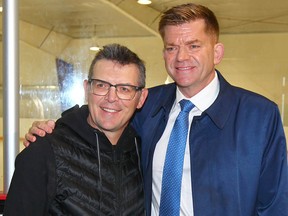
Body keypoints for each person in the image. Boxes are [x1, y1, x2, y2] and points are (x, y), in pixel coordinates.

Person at [23, 3, 288, 216]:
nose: (181, 57)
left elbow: (275, 205)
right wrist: (55, 129)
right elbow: (104, 110)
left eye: (193, 45)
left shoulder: (259, 117)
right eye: (171, 47)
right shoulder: (146, 106)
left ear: (217, 52)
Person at [4, 43, 148, 215]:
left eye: (124, 89)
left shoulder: (142, 151)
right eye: (101, 85)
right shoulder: (44, 152)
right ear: (87, 89)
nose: (111, 98)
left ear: (141, 98)